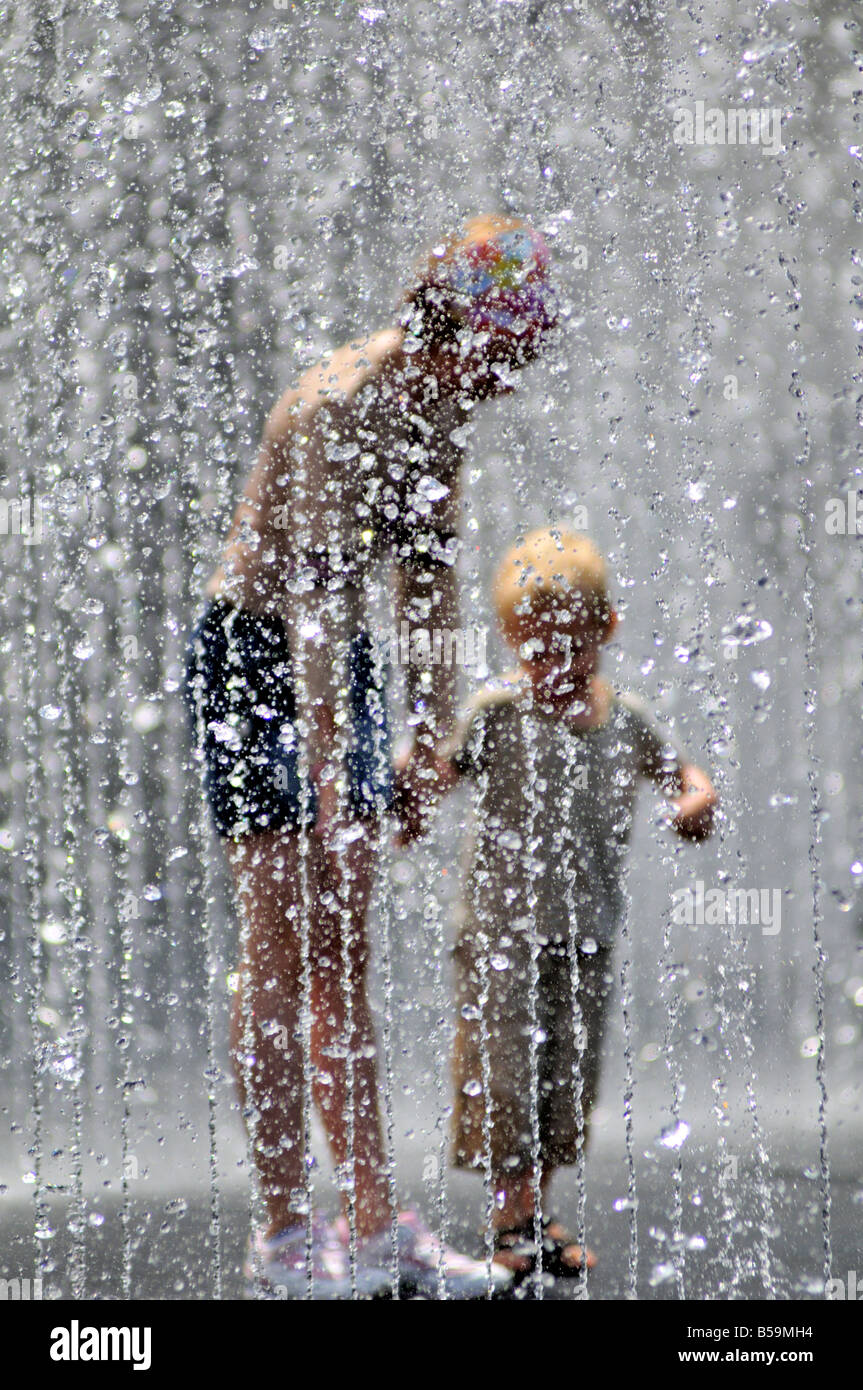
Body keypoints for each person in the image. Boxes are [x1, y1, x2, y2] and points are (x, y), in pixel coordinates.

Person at [183, 216, 559, 1298]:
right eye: (508, 350)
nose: (515, 374)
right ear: (456, 331)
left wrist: (429, 737)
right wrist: (333, 769)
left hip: (329, 656)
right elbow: (301, 605)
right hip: (256, 656)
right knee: (280, 938)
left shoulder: (435, 410)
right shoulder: (336, 404)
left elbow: (428, 590)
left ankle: (374, 1227)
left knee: (341, 948)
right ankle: (289, 1239)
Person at [431, 527, 717, 1286]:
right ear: (509, 639)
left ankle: (531, 1214)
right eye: (535, 651)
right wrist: (399, 791)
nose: (553, 668)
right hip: (497, 941)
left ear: (606, 631)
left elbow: (680, 772)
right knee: (503, 1085)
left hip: (583, 940)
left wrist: (695, 798)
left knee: (562, 1087)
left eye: (572, 649)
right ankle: (509, 1221)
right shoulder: (495, 712)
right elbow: (437, 774)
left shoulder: (627, 721)